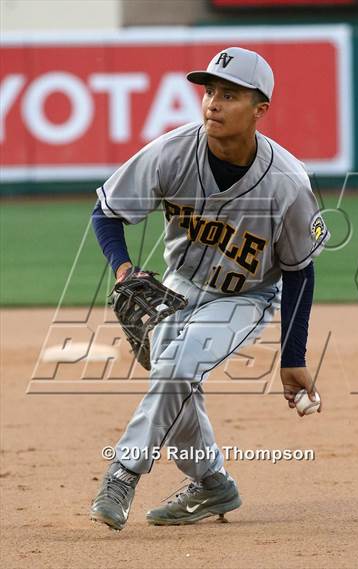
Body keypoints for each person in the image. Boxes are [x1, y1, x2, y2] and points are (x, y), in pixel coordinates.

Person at [90, 47, 329, 529]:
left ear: (260, 109)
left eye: (229, 95)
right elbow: (107, 213)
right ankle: (213, 484)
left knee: (177, 365)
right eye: (210, 92)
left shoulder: (288, 183)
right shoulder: (172, 152)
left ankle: (124, 471)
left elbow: (301, 271)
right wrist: (123, 270)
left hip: (247, 296)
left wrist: (293, 357)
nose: (213, 103)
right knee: (175, 382)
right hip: (177, 286)